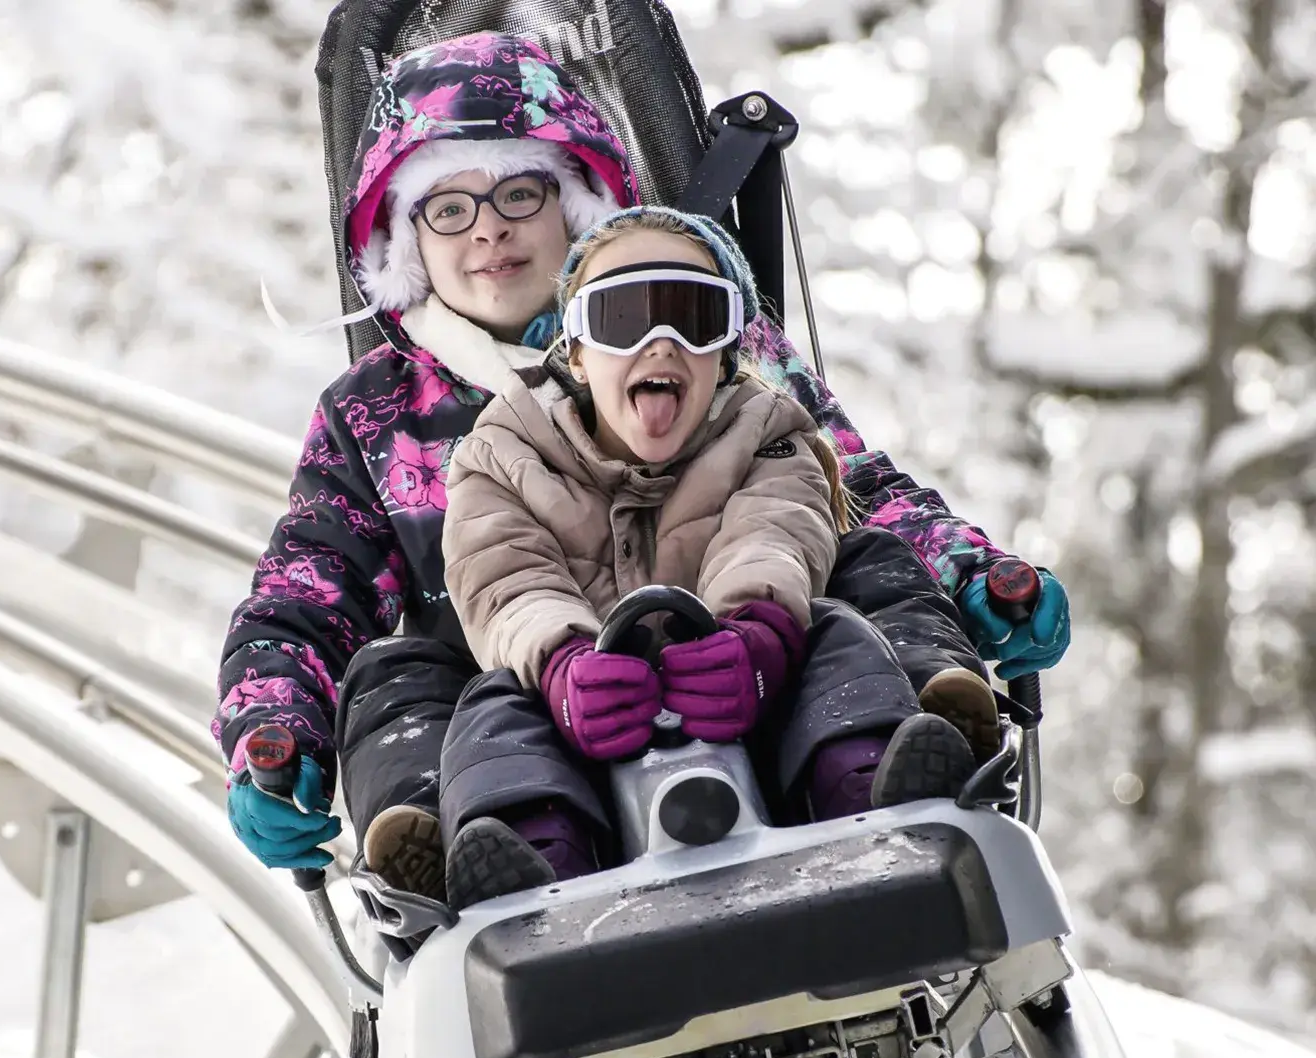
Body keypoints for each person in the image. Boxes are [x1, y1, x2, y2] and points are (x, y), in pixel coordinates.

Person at [215, 31, 1071, 902]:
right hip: (524, 725)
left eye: (520, 191)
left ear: (575, 203)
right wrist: (270, 728)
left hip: (755, 676)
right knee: (392, 677)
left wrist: (971, 569)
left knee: (864, 566)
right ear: (408, 240)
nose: (491, 230)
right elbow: (304, 595)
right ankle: (451, 852)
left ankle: (910, 747)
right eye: (447, 208)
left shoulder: (707, 337)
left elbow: (850, 486)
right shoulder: (377, 415)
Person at [437, 205, 989, 909]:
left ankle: (868, 785)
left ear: (725, 351)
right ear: (575, 352)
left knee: (835, 629)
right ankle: (538, 857)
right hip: (582, 719)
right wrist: (561, 664)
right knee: (492, 701)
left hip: (752, 708)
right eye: (622, 318)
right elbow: (507, 579)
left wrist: (757, 636)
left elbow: (773, 531)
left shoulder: (765, 432)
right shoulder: (503, 454)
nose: (660, 344)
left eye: (692, 318)